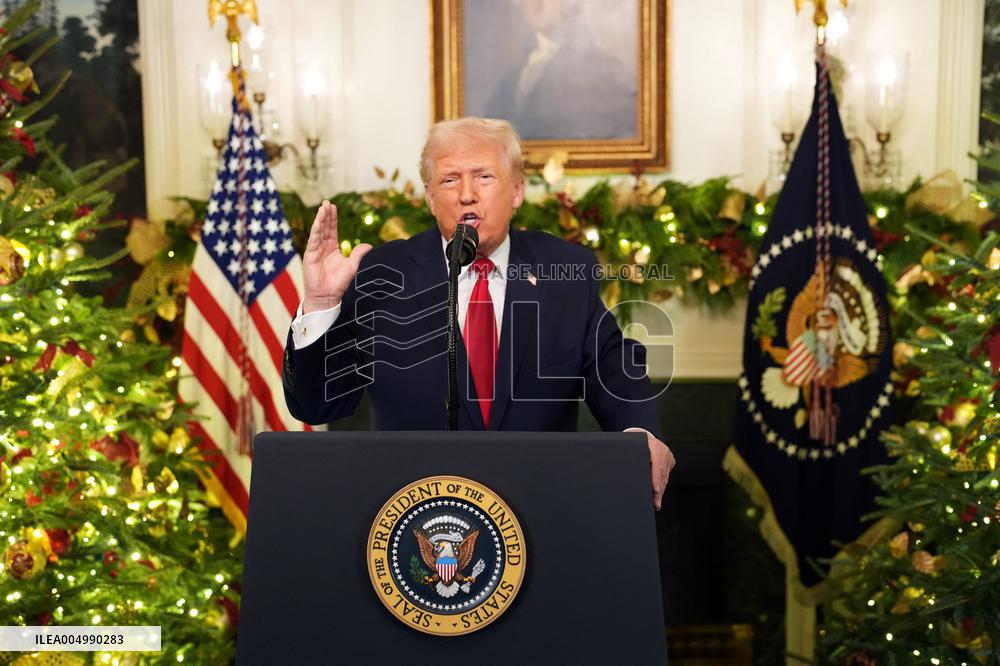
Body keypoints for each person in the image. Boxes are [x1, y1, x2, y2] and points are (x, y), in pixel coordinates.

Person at [282, 117, 675, 509]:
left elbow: (613, 368)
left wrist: (640, 432)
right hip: (414, 514)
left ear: (517, 190)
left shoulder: (565, 270)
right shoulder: (384, 274)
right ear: (430, 197)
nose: (466, 195)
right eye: (449, 180)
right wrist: (320, 303)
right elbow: (317, 406)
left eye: (484, 177)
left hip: (538, 509)